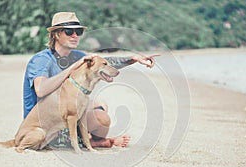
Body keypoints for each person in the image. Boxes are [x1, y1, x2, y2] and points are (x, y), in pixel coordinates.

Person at [23, 12, 157, 149]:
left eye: (78, 31)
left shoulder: (76, 55)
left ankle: (91, 138)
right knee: (101, 117)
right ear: (55, 34)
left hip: (66, 114)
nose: (75, 36)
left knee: (100, 103)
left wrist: (132, 59)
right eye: (69, 31)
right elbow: (40, 89)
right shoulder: (41, 60)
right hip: (46, 126)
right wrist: (73, 67)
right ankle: (92, 141)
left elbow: (103, 63)